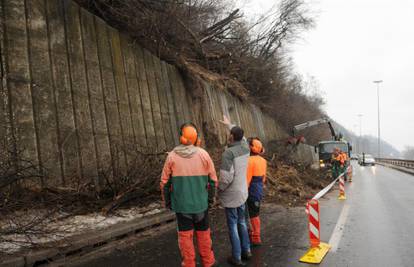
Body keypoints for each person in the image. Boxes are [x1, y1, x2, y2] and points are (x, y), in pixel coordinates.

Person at [160, 123, 218, 267]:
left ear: (181, 137)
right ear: (196, 137)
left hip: (182, 207)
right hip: (201, 205)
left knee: (185, 239)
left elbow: (164, 183)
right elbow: (213, 181)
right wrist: (210, 200)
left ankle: (189, 264)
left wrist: (167, 202)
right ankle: (208, 263)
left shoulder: (172, 156)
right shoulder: (204, 154)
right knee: (204, 236)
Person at [218, 115, 252, 266]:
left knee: (233, 225)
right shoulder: (246, 148)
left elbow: (226, 178)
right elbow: (242, 137)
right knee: (242, 222)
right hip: (242, 192)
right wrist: (230, 125)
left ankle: (237, 257)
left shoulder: (228, 153)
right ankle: (247, 251)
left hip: (231, 195)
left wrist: (218, 190)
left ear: (231, 137)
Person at [246, 138, 267, 246]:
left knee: (252, 214)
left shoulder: (249, 161)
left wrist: (243, 191)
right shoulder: (263, 161)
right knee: (255, 213)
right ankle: (255, 235)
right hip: (258, 189)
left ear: (251, 147)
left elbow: (247, 180)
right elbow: (264, 178)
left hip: (251, 190)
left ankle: (255, 237)